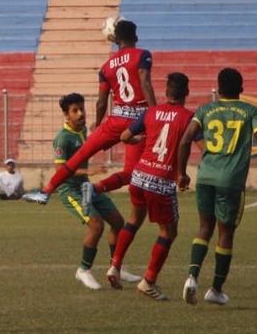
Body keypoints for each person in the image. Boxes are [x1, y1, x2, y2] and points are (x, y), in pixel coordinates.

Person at [177, 68, 257, 306]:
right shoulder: (250, 111)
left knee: (204, 227)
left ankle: (192, 277)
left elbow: (185, 140)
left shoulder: (205, 109)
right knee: (225, 233)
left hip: (205, 177)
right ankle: (215, 289)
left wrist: (182, 173)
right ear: (241, 89)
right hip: (230, 181)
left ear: (219, 88)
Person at [42, 19, 157, 201]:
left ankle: (46, 191)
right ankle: (96, 188)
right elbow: (145, 81)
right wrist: (154, 114)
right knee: (131, 172)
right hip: (138, 121)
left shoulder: (106, 67)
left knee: (79, 156)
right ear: (135, 37)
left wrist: (98, 123)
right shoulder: (142, 55)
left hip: (116, 119)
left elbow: (101, 102)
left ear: (116, 39)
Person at [108, 73, 194, 300]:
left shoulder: (151, 112)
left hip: (139, 176)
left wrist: (139, 141)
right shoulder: (188, 118)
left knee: (134, 220)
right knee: (169, 231)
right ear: (187, 93)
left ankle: (114, 266)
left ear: (166, 92)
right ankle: (149, 281)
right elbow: (201, 145)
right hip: (161, 180)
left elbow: (125, 136)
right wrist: (183, 174)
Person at [46, 93, 139, 291]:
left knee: (117, 222)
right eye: (75, 110)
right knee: (96, 226)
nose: (80, 113)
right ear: (66, 114)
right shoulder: (62, 139)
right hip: (70, 190)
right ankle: (83, 270)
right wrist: (88, 170)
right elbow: (60, 171)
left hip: (86, 186)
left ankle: (117, 267)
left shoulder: (83, 132)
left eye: (82, 109)